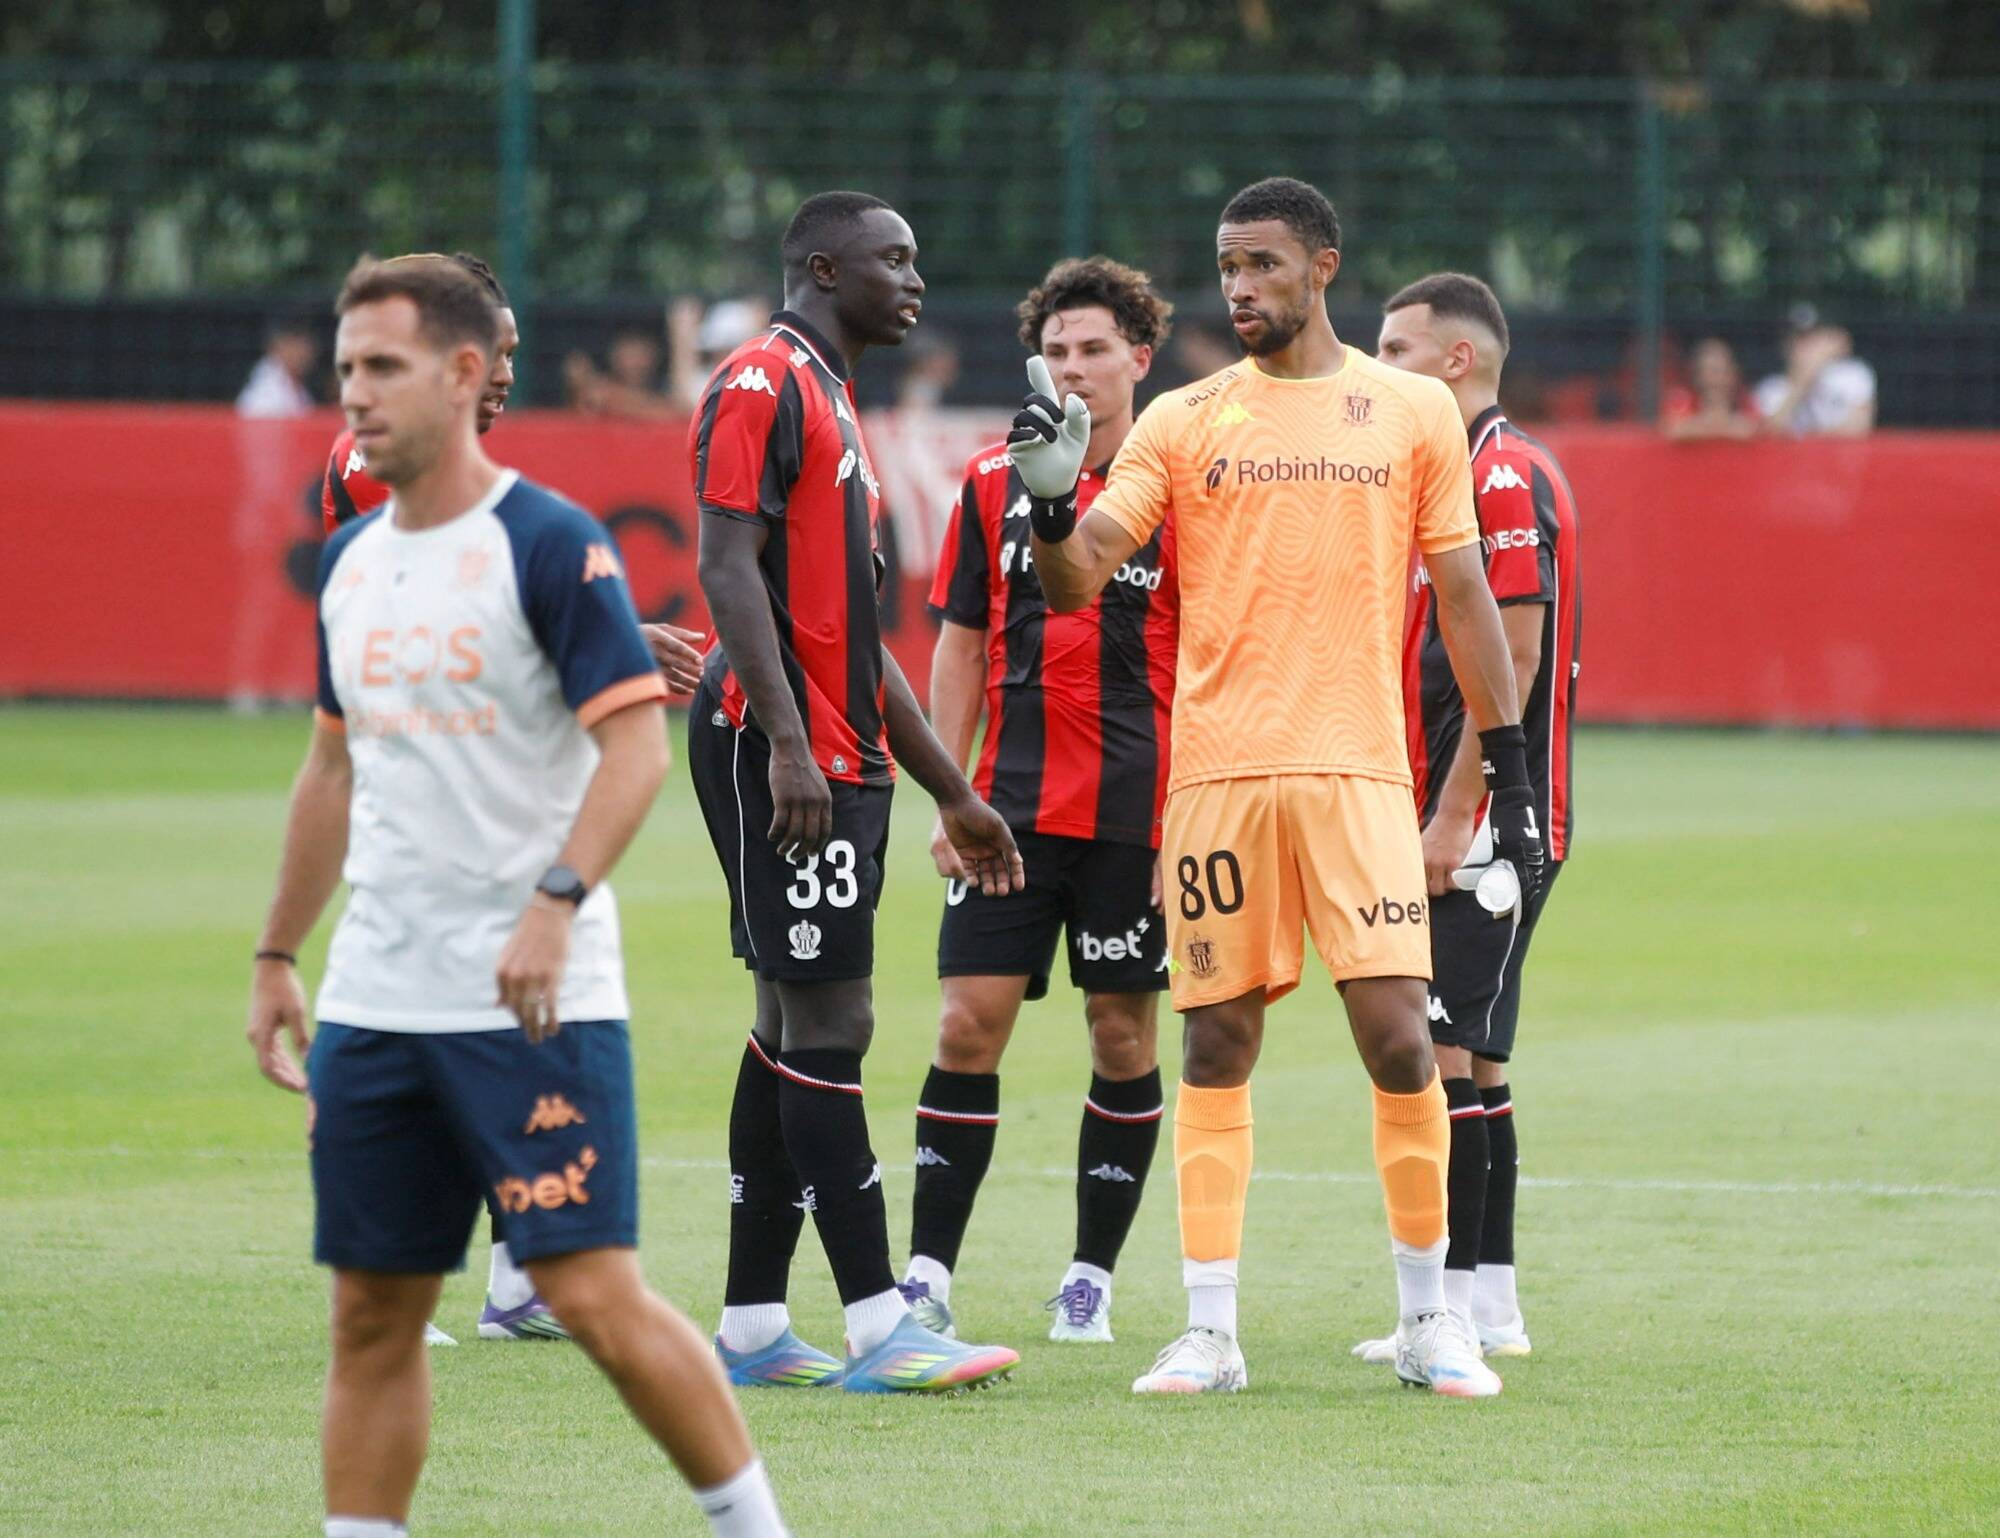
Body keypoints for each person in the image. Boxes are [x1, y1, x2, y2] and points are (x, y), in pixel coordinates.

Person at [245, 253, 792, 1538]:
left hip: (533, 1002)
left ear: (469, 373)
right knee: (371, 1311)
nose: (356, 399)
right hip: (379, 998)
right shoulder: (350, 563)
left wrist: (554, 899)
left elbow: (637, 745)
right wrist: (278, 950)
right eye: (344, 373)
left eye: (382, 369)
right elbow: (328, 766)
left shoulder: (546, 543)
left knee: (589, 1292)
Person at [1015, 177, 1544, 1400]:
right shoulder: (1186, 418)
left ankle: (1428, 1320)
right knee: (1215, 1038)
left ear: (1322, 266)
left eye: (1261, 264)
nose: (1240, 287)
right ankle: (1209, 1328)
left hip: (1362, 769)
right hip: (1218, 775)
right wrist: (1052, 499)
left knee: (1403, 1039)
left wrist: (1504, 775)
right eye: (1226, 266)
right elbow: (1076, 578)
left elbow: (1463, 598)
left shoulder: (1409, 408)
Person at [316, 250, 702, 1344]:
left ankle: (507, 1279)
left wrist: (617, 638)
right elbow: (450, 618)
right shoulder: (373, 480)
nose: (510, 375)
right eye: (503, 352)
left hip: (488, 853)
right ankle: (456, 1281)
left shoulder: (505, 508)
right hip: (429, 832)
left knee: (495, 1033)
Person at [686, 190, 1026, 1394]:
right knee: (834, 1023)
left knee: (791, 1024)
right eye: (895, 257)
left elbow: (856, 636)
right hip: (787, 753)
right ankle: (882, 1325)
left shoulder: (833, 403)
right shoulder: (760, 383)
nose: (914, 279)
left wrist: (953, 791)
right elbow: (723, 561)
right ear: (824, 267)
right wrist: (784, 740)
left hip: (837, 750)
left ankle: (750, 1324)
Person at [901, 257, 1178, 1346]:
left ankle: (1089, 1278)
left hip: (1132, 812)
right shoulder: (989, 481)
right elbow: (960, 642)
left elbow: (1209, 657)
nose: (1072, 366)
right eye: (1055, 349)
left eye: (1093, 348)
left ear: (1137, 360)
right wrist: (948, 792)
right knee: (966, 1024)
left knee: (1121, 1033)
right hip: (1006, 813)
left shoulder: (1179, 485)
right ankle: (924, 1274)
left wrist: (1190, 812)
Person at [1352, 271, 1582, 1366]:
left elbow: (1516, 655)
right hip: (1488, 813)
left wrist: (1453, 814)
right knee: (1475, 1059)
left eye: (1394, 350)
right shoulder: (1477, 467)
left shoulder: (1494, 472)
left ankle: (1444, 1307)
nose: (1376, 366)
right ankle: (1485, 1300)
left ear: (1456, 360)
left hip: (1481, 821)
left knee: (1438, 1051)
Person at [1754, 305, 1876, 437]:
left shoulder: (1852, 374)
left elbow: (1857, 427)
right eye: (1797, 338)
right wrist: (1801, 383)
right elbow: (1768, 434)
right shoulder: (1770, 388)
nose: (1805, 346)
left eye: (1813, 337)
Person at [1662, 337, 1759, 440]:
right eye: (1706, 371)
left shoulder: (1746, 401)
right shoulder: (1682, 400)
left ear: (1733, 374)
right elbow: (1672, 429)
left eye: (1719, 371)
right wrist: (1725, 427)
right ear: (1697, 375)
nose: (1713, 379)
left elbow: (1756, 428)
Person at [236, 322, 318, 417]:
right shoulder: (263, 390)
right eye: (296, 344)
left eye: (307, 345)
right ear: (278, 346)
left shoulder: (299, 388)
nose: (304, 353)